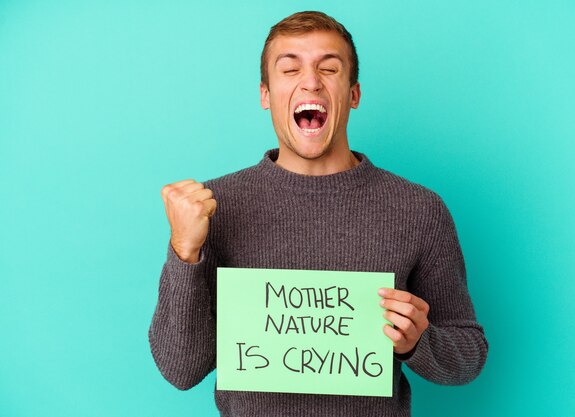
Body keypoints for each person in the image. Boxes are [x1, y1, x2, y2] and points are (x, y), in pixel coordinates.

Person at [149, 11, 488, 417]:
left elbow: (468, 355)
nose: (310, 81)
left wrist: (419, 341)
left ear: (353, 94)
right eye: (290, 69)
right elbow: (180, 370)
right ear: (265, 94)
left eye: (329, 68)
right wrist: (185, 252)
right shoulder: (214, 207)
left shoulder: (419, 210)